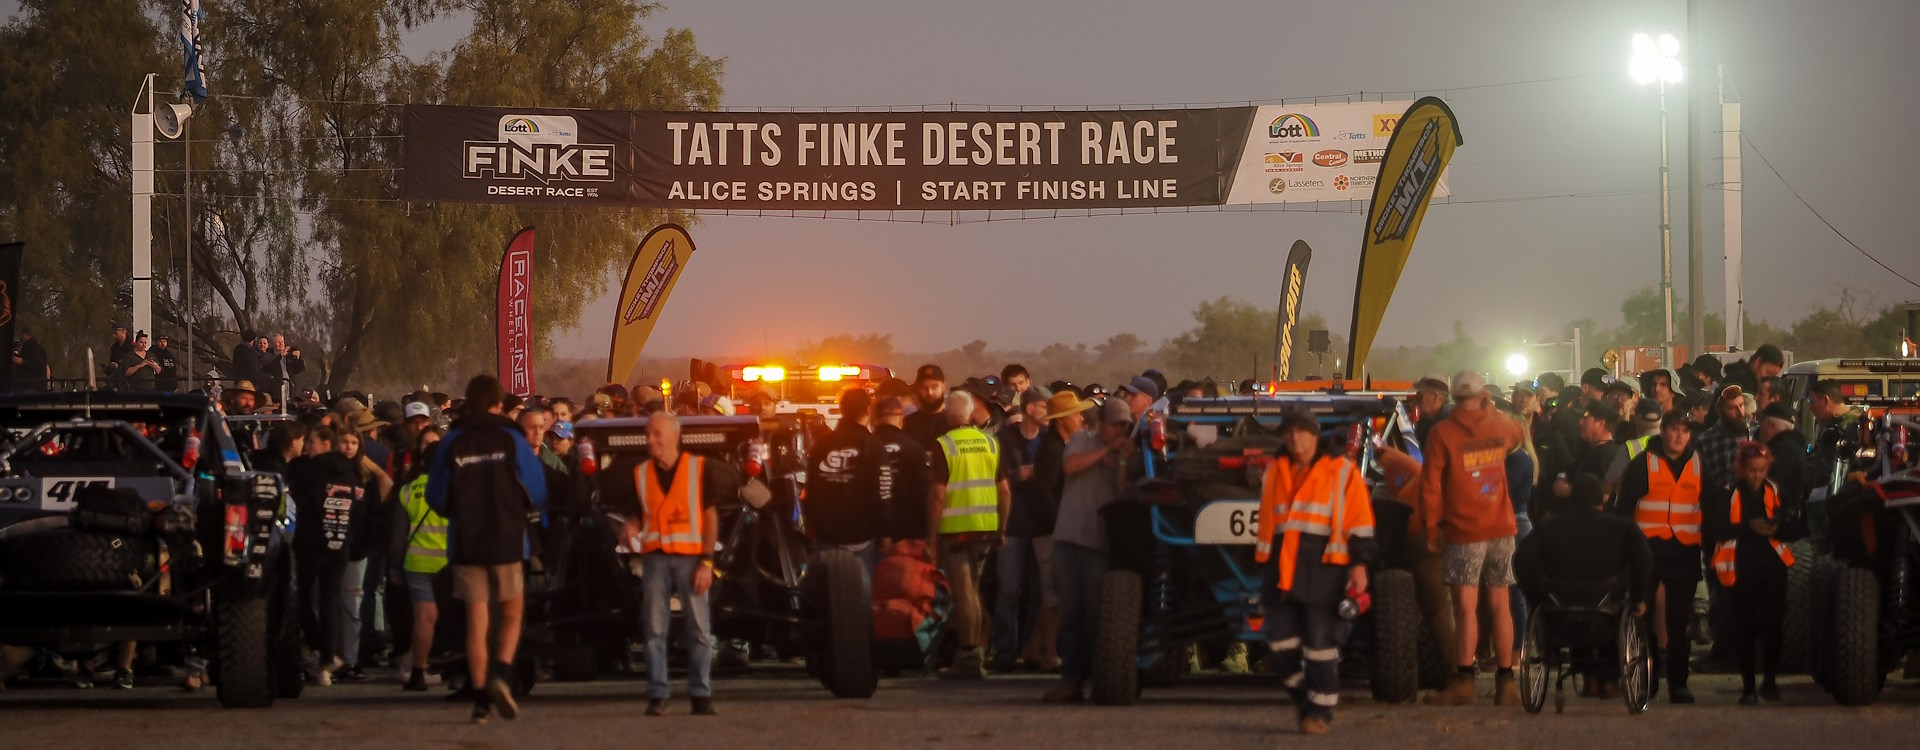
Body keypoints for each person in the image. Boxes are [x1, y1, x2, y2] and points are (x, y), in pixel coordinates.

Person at [425, 375, 548, 724]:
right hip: (508, 539)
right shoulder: (512, 440)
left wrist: (458, 513)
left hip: (467, 541)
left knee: (476, 622)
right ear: (497, 404)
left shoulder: (452, 442)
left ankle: (480, 700)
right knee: (511, 613)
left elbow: (436, 495)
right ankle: (501, 673)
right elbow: (536, 489)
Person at [1253, 412, 1376, 735]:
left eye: (1302, 432)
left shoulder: (1341, 471)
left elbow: (1360, 522)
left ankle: (1320, 713)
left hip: (1326, 571)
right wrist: (1264, 564)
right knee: (1279, 645)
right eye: (1289, 433)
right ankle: (1308, 700)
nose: (1295, 439)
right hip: (1283, 572)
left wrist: (1360, 565)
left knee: (1320, 646)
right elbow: (1269, 523)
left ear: (1315, 435)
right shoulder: (1274, 472)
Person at [1419, 371, 1524, 706]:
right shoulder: (1499, 425)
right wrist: (1490, 411)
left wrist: (1432, 529)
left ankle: (1464, 681)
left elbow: (1430, 486)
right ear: (1483, 395)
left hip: (1464, 530)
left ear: (1452, 396)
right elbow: (1518, 434)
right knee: (1500, 605)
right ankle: (1506, 682)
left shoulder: (1442, 434)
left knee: (1465, 608)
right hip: (1501, 526)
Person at [1513, 474, 1655, 692]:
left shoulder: (1549, 527)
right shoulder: (1622, 528)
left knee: (1573, 603)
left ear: (1572, 499)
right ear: (1602, 500)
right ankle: (1607, 680)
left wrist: (1535, 596)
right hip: (1606, 603)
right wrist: (1638, 598)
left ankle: (1588, 678)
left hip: (1559, 605)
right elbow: (1644, 560)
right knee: (1612, 610)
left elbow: (1522, 559)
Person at [624, 412, 722, 716]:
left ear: (674, 436)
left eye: (656, 434)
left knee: (699, 630)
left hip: (692, 560)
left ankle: (700, 694)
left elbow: (710, 519)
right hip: (654, 560)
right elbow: (636, 514)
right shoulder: (639, 473)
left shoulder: (699, 469)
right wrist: (629, 527)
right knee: (653, 630)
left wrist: (707, 562)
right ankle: (657, 695)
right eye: (647, 434)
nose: (649, 440)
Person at [1043, 396, 1132, 704]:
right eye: (1114, 425)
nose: (1118, 431)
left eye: (1124, 426)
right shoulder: (1082, 439)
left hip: (1099, 546)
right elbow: (1070, 466)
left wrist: (1121, 460)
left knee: (1096, 617)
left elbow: (1123, 492)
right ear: (1101, 424)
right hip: (1068, 540)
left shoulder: (1124, 451)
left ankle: (1097, 679)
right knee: (1070, 615)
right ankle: (1070, 680)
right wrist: (1107, 450)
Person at [1613, 410, 1705, 703]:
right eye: (1674, 429)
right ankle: (1647, 679)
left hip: (1684, 552)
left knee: (1679, 621)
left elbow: (1712, 506)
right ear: (1662, 432)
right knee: (1645, 617)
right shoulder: (1643, 464)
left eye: (1684, 431)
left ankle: (1678, 683)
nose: (1679, 436)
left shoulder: (1699, 464)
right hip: (1647, 553)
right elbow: (1624, 508)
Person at [1706, 442, 1802, 705]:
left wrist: (1776, 529)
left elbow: (1796, 528)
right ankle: (1748, 686)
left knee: (1773, 626)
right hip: (1741, 568)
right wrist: (1750, 527)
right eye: (1751, 471)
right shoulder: (1727, 494)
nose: (1756, 476)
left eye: (1761, 470)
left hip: (1772, 567)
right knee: (1744, 627)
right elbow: (1717, 528)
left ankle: (1769, 681)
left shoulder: (1777, 492)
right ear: (1741, 469)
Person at [928, 390, 1014, 680]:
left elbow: (938, 495)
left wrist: (930, 538)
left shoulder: (944, 445)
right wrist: (1001, 529)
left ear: (947, 415)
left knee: (963, 592)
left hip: (956, 532)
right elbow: (1004, 491)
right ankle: (976, 653)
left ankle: (967, 657)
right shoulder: (990, 442)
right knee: (974, 591)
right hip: (986, 529)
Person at [286, 425, 362, 687]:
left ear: (325, 445)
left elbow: (304, 502)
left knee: (306, 599)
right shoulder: (351, 472)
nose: (308, 446)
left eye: (312, 441)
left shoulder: (310, 471)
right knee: (329, 601)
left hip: (311, 544)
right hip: (340, 543)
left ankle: (320, 652)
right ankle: (327, 657)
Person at [991, 388, 1054, 672]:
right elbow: (996, 478)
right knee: (1009, 589)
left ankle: (1030, 650)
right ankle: (1004, 652)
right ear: (1029, 409)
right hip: (1012, 525)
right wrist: (1019, 475)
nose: (1048, 412)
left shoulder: (1048, 441)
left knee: (1039, 592)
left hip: (1040, 525)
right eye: (1044, 406)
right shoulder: (1003, 440)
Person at [802, 387, 887, 570]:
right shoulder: (874, 447)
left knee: (825, 593)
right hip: (861, 536)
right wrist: (885, 532)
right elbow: (881, 494)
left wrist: (810, 524)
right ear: (868, 410)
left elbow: (811, 490)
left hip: (825, 533)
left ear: (841, 409)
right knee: (860, 593)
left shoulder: (820, 446)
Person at [334, 428, 393, 684]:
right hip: (328, 548)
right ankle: (330, 657)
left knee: (352, 608)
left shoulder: (364, 477)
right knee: (328, 606)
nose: (348, 446)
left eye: (353, 442)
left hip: (356, 550)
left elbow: (374, 511)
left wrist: (365, 541)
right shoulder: (327, 473)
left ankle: (350, 659)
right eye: (344, 442)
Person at [392, 433, 448, 692]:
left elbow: (397, 536)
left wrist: (394, 567)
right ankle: (452, 667)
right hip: (451, 565)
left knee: (423, 619)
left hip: (418, 564)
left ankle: (418, 672)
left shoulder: (407, 491)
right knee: (456, 618)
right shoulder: (455, 487)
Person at [873, 396, 931, 544]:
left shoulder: (865, 448)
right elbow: (923, 494)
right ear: (901, 419)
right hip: (909, 534)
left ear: (874, 420)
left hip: (873, 533)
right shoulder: (915, 449)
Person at [1758, 403, 1808, 510]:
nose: (1759, 428)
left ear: (1770, 424)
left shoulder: (1785, 451)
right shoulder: (1788, 447)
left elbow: (1772, 490)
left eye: (1760, 422)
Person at [903, 364, 950, 450]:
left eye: (934, 387)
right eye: (923, 388)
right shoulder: (907, 424)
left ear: (943, 387)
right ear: (917, 389)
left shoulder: (952, 422)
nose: (929, 393)